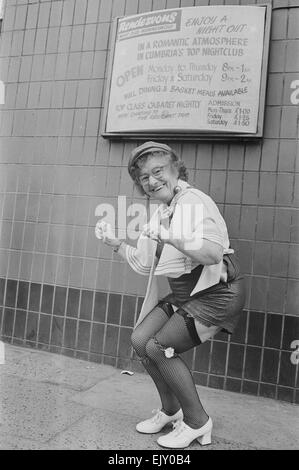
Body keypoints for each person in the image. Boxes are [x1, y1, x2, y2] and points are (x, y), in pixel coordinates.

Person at [95, 141, 246, 449]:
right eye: (143, 177)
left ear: (177, 170)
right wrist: (115, 242)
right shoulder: (163, 211)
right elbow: (145, 262)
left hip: (217, 294)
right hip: (185, 294)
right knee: (141, 341)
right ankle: (170, 410)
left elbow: (213, 254)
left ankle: (197, 422)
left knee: (161, 347)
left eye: (158, 171)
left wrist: (171, 236)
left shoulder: (194, 201)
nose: (151, 182)